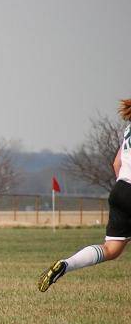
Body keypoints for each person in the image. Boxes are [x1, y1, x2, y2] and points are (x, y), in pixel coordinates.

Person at [38, 97, 131, 292]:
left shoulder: (128, 130)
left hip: (120, 190)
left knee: (111, 249)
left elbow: (117, 164)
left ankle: (66, 264)